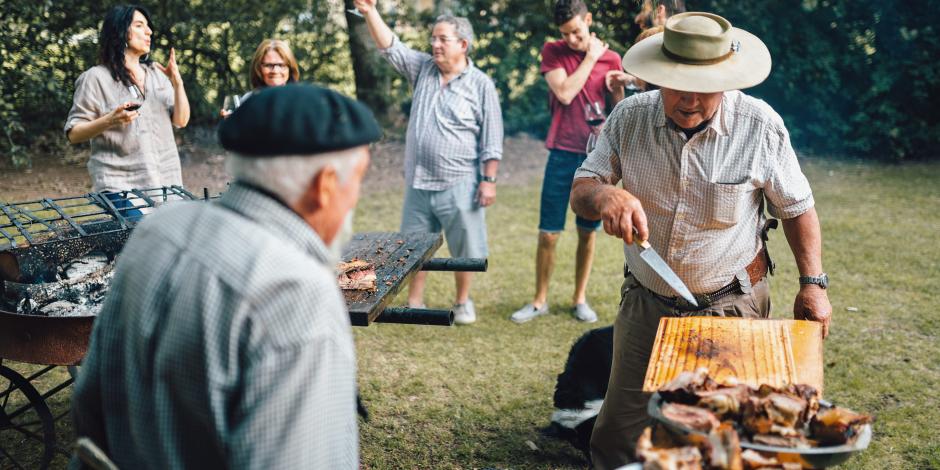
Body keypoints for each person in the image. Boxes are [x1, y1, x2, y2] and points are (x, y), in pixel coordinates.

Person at [569, 12, 832, 468]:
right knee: (617, 435)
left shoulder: (760, 126)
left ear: (726, 81)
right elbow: (582, 189)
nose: (688, 100)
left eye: (703, 88)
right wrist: (605, 195)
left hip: (731, 305)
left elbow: (797, 208)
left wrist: (813, 282)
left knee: (725, 437)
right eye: (676, 85)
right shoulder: (629, 118)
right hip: (647, 302)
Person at [70, 84, 380, 468]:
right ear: (325, 186)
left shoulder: (158, 227)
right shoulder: (294, 290)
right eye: (358, 182)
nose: (356, 199)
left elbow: (87, 405)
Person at [353, 0, 503, 325]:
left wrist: (488, 181)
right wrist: (369, 11)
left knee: (466, 249)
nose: (434, 44)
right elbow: (390, 47)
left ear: (462, 45)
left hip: (460, 182)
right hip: (419, 182)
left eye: (442, 39)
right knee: (412, 248)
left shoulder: (481, 85)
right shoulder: (422, 68)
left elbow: (492, 139)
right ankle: (414, 301)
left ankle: (463, 302)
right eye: (432, 38)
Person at [509, 0, 623, 324]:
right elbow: (564, 93)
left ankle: (579, 299)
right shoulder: (553, 52)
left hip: (595, 156)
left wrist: (616, 91)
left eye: (576, 30)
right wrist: (590, 56)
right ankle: (539, 300)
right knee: (548, 232)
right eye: (565, 33)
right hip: (561, 152)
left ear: (588, 19)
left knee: (588, 232)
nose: (572, 38)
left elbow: (619, 111)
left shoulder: (613, 58)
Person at [65, 4, 190, 215]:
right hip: (119, 185)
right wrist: (109, 121)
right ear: (121, 31)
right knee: (139, 233)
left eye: (148, 26)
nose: (149, 31)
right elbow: (73, 133)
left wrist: (177, 83)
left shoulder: (157, 75)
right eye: (140, 26)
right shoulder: (95, 78)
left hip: (165, 181)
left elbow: (181, 121)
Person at [221, 39, 300, 117]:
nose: (275, 70)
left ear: (290, 68)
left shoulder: (301, 100)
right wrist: (232, 123)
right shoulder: (248, 100)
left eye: (281, 65)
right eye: (268, 65)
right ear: (258, 68)